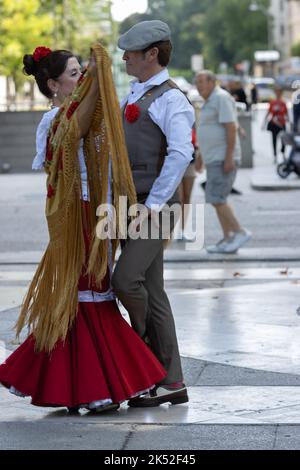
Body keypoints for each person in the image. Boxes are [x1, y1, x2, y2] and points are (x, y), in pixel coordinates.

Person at [0, 44, 167, 413]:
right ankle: (99, 386)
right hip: (77, 214)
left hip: (99, 211)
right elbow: (67, 152)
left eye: (81, 72)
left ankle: (96, 384)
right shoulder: (58, 121)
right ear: (53, 84)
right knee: (89, 292)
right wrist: (99, 70)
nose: (82, 79)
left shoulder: (85, 116)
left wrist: (99, 70)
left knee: (95, 292)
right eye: (74, 74)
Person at [112, 20, 195, 407]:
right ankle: (171, 381)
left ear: (152, 55)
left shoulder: (171, 98)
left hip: (153, 204)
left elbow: (181, 154)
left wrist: (153, 206)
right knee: (154, 289)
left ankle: (145, 354)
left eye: (131, 52)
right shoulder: (134, 92)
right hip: (132, 202)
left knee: (126, 279)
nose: (124, 56)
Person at [195, 70, 252, 254]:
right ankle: (228, 238)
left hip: (223, 158)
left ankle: (239, 232)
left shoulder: (221, 97)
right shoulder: (209, 101)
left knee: (217, 198)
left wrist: (229, 158)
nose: (198, 85)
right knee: (217, 198)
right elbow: (208, 131)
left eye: (202, 81)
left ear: (212, 82)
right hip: (214, 158)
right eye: (197, 82)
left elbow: (230, 129)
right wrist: (201, 157)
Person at [263, 86, 289, 163]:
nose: (278, 93)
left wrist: (289, 121)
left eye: (279, 92)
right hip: (274, 124)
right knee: (274, 139)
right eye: (276, 92)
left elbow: (286, 113)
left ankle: (283, 153)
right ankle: (275, 155)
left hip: (282, 123)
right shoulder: (272, 102)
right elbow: (268, 112)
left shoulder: (283, 103)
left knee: (284, 140)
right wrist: (264, 122)